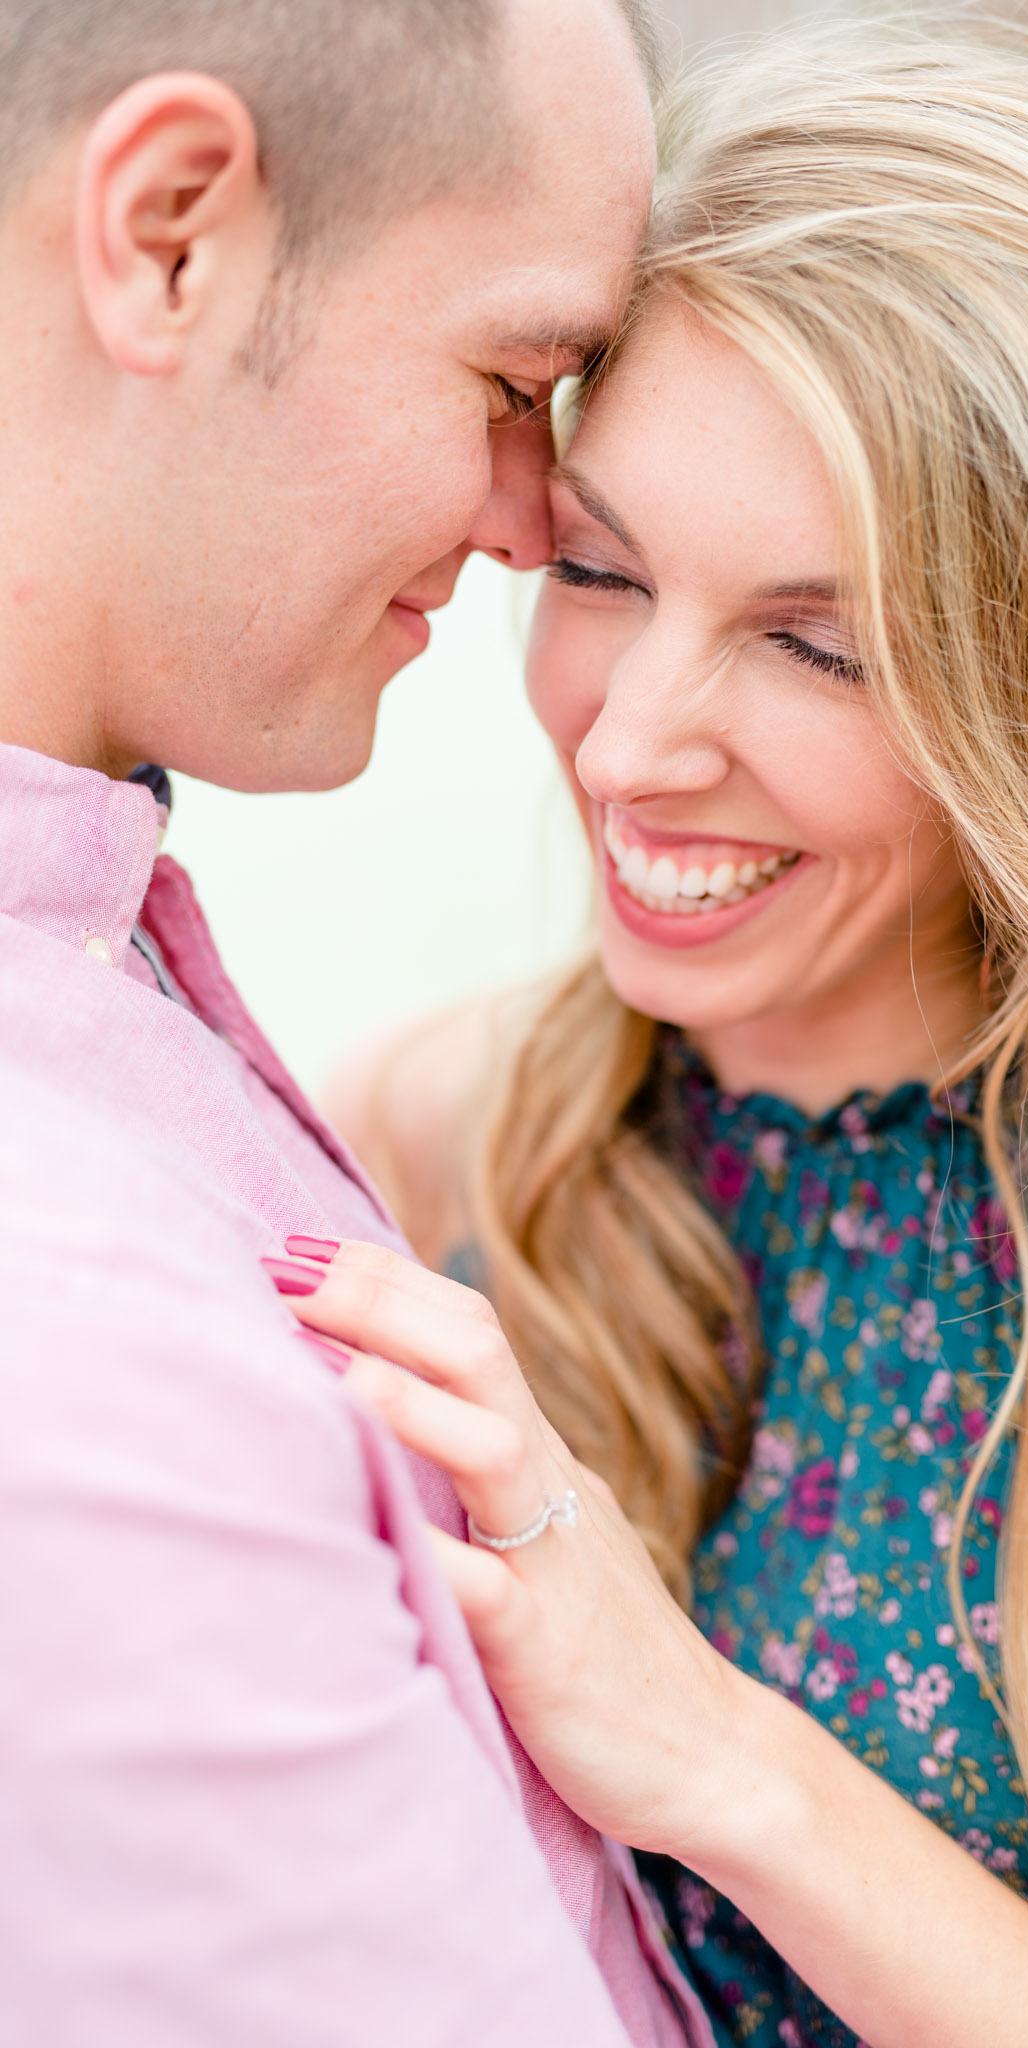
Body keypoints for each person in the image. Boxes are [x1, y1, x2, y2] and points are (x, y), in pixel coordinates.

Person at [300, 25, 1028, 2048]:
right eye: (603, 569)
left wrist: (713, 1753)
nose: (625, 743)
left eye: (816, 643)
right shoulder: (435, 1140)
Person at [0, 2, 717, 2043]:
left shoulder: (92, 961)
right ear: (168, 234)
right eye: (512, 379)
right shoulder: (71, 1333)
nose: (527, 516)